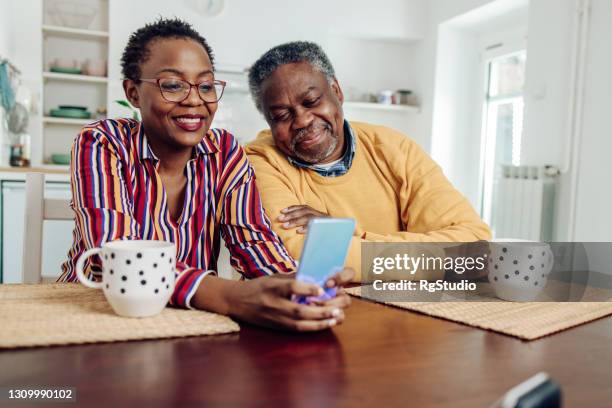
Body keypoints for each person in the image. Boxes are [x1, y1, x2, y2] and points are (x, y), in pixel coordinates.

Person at [59, 20, 352, 331]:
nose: (194, 100)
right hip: (96, 314)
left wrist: (298, 288)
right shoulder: (103, 142)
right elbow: (117, 258)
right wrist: (230, 297)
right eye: (172, 85)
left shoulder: (225, 152)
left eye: (206, 85)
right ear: (133, 92)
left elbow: (254, 243)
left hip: (188, 321)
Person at [245, 41, 492, 281]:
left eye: (311, 102)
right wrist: (418, 257)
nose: (302, 120)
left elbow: (474, 247)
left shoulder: (394, 148)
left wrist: (353, 235)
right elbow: (308, 258)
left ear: (337, 92)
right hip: (319, 312)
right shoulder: (259, 161)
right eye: (281, 115)